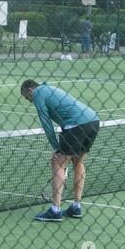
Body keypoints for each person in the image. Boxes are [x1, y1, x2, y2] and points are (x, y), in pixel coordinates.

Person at [21, 80, 100, 222]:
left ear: (30, 91)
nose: (29, 101)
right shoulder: (49, 89)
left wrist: (56, 148)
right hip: (93, 121)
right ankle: (76, 206)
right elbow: (64, 113)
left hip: (76, 125)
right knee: (78, 162)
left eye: (27, 98)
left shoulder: (38, 94)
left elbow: (46, 123)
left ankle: (55, 210)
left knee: (58, 164)